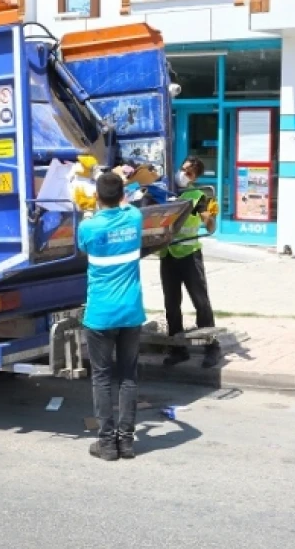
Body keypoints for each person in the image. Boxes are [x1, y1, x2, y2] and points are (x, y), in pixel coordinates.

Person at [77, 170, 146, 461]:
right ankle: (126, 442)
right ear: (121, 196)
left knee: (102, 378)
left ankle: (106, 444)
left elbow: (82, 248)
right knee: (128, 376)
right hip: (131, 312)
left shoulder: (88, 228)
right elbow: (130, 202)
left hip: (101, 315)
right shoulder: (134, 219)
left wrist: (87, 211)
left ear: (96, 197)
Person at [160, 157, 221, 368]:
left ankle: (211, 347)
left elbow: (210, 226)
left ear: (196, 177)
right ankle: (177, 349)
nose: (184, 174)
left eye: (190, 173)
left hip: (189, 255)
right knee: (171, 304)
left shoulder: (197, 196)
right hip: (168, 255)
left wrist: (211, 216)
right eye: (183, 169)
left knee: (200, 302)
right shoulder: (164, 192)